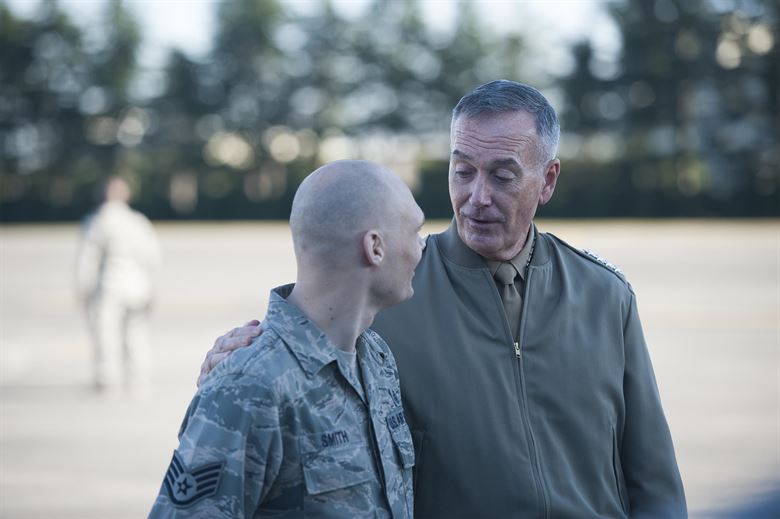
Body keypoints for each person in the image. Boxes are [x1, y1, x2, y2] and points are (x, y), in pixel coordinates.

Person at [199, 81, 687, 518]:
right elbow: (290, 360)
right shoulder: (389, 290)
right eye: (463, 171)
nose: (477, 196)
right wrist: (230, 368)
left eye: (502, 176)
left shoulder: (605, 297)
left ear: (549, 181)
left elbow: (655, 483)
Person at [149, 161, 425, 518]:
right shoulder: (248, 388)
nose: (421, 247)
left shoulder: (376, 358)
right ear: (375, 247)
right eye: (414, 231)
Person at [75, 175, 161, 395]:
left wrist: (83, 288)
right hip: (138, 287)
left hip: (110, 287)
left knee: (107, 334)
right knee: (136, 334)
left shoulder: (97, 221)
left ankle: (108, 380)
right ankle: (139, 381)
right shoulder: (138, 221)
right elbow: (153, 257)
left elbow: (88, 260)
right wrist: (152, 286)